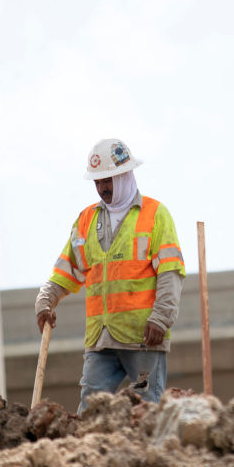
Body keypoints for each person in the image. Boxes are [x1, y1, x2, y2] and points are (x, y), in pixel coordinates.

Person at [35, 138, 186, 411]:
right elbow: (66, 270)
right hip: (100, 339)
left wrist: (161, 319)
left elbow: (170, 272)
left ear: (126, 174)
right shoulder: (86, 220)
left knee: (145, 409)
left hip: (143, 339)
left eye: (108, 179)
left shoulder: (155, 215)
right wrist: (45, 302)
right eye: (98, 182)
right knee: (90, 411)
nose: (102, 187)